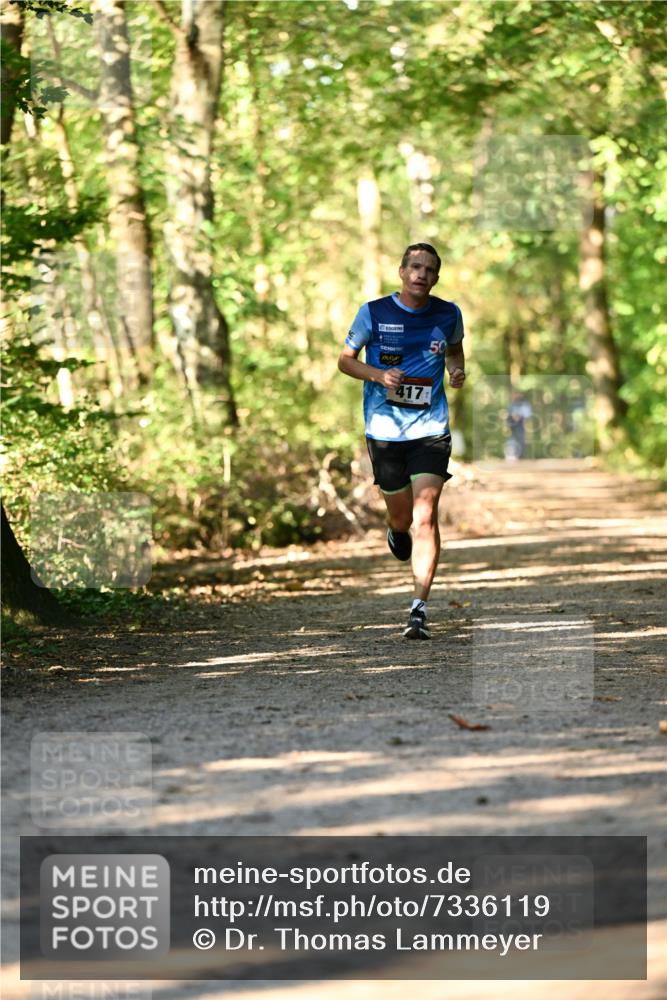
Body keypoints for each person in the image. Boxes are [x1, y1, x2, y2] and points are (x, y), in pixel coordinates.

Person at [338, 243, 465, 639]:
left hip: (430, 428)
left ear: (436, 277)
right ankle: (396, 531)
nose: (421, 274)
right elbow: (345, 360)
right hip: (385, 430)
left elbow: (455, 354)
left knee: (426, 514)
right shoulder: (373, 312)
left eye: (429, 269)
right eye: (414, 266)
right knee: (404, 517)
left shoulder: (448, 313)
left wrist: (457, 372)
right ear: (401, 271)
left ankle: (419, 609)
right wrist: (377, 375)